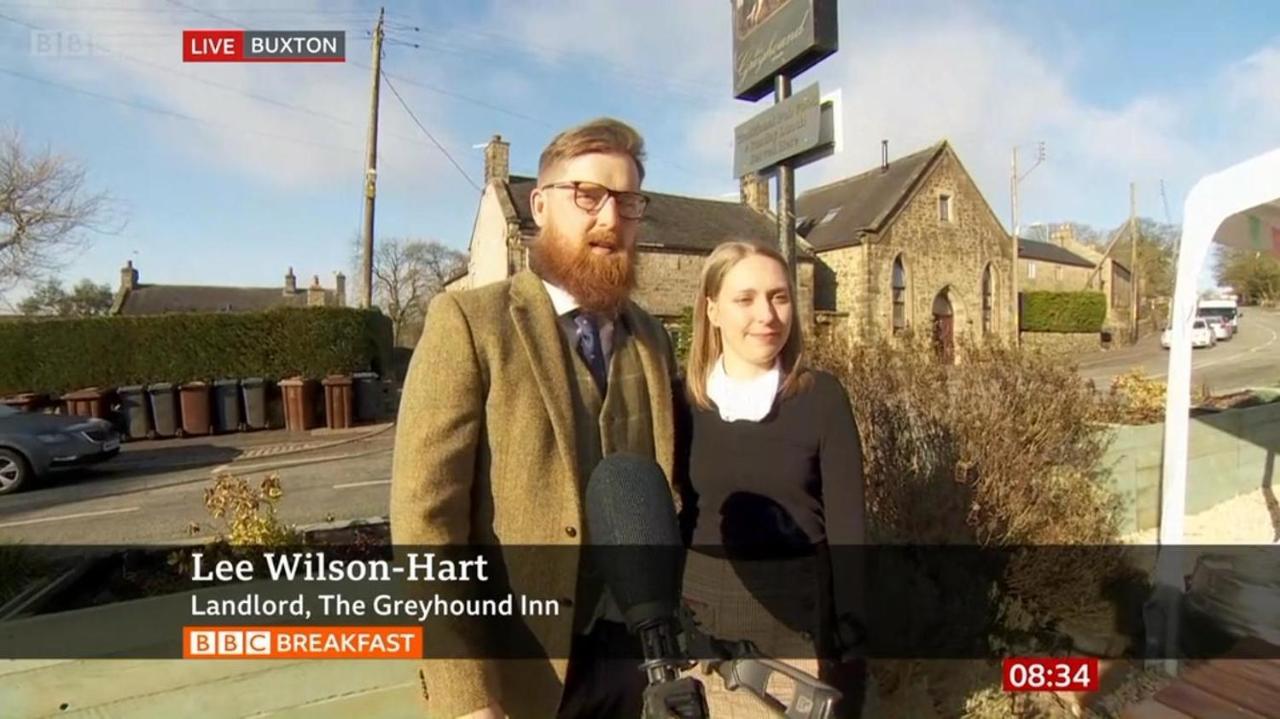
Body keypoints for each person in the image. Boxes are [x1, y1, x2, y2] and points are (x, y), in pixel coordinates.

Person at [390, 118, 681, 719]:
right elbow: (424, 524)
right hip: (519, 679)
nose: (609, 219)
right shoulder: (470, 323)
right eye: (589, 195)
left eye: (628, 202)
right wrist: (466, 695)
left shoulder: (652, 338)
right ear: (540, 205)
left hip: (635, 669)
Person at [678, 240, 867, 717]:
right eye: (746, 299)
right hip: (702, 617)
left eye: (779, 297)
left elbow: (848, 529)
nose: (767, 314)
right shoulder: (681, 402)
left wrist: (849, 640)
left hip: (797, 614)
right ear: (713, 309)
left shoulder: (821, 397)